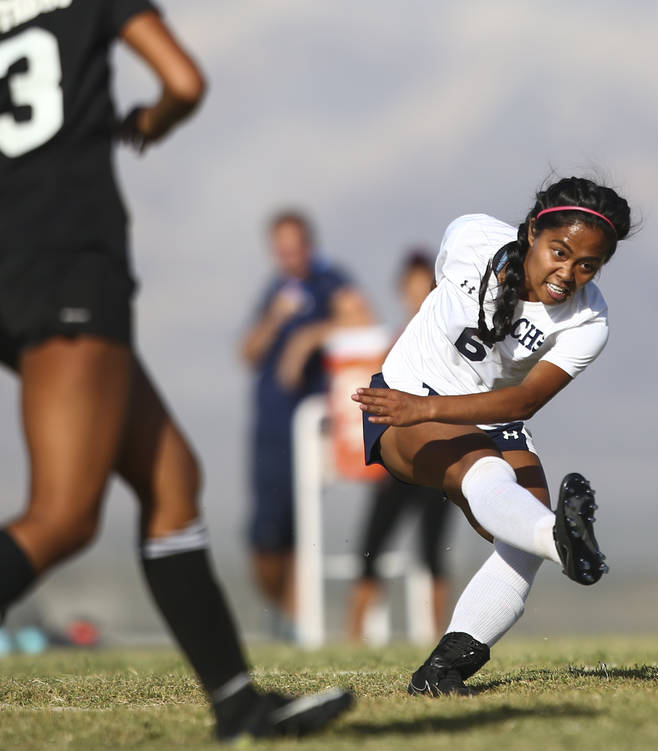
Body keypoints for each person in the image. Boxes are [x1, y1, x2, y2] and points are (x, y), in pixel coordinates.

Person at [0, 3, 350, 740]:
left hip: (16, 264)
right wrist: (146, 124)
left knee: (172, 483)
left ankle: (238, 706)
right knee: (63, 515)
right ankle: (239, 705)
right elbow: (184, 82)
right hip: (69, 262)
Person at [352, 176, 631, 694]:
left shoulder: (590, 319)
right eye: (559, 252)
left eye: (587, 265)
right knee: (494, 478)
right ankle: (563, 541)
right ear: (531, 232)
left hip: (488, 416)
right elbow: (435, 299)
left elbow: (523, 402)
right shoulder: (471, 237)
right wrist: (419, 405)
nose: (568, 273)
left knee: (521, 540)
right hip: (404, 401)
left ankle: (442, 672)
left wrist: (434, 408)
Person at [239, 210, 371, 622]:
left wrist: (307, 337)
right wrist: (276, 319)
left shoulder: (328, 280)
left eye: (295, 247)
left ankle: (302, 620)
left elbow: (363, 318)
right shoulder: (277, 290)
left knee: (301, 529)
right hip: (269, 426)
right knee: (264, 535)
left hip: (308, 427)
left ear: (308, 245)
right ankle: (285, 616)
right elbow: (247, 353)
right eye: (281, 249)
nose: (289, 256)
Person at [347, 251, 454, 643]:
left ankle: (442, 637)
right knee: (371, 550)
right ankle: (353, 638)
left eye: (423, 287)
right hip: (397, 462)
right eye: (410, 288)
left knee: (432, 553)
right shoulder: (396, 340)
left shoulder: (447, 336)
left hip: (437, 459)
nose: (417, 296)